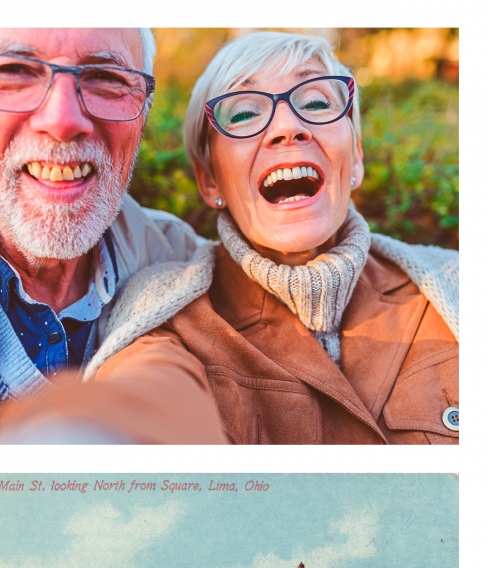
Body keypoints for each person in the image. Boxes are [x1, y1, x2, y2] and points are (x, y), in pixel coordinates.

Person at [86, 30, 458, 444]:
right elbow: (144, 403)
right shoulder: (165, 317)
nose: (288, 127)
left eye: (317, 103)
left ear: (355, 158)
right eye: (243, 114)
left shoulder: (456, 287)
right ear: (209, 181)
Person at [0, 27, 224, 445]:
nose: (62, 121)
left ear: (143, 112)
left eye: (106, 78)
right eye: (13, 72)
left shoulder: (186, 266)